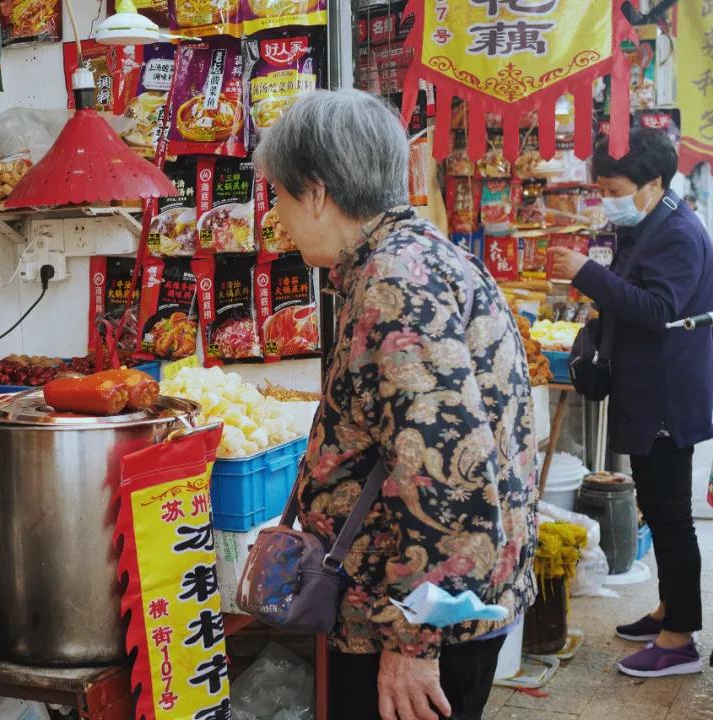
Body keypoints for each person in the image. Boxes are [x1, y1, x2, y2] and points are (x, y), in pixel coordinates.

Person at [254, 89, 538, 720]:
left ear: (318, 192)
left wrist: (415, 643)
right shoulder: (416, 257)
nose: (277, 217)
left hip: (417, 620)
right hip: (425, 605)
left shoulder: (395, 287)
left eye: (279, 196)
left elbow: (445, 474)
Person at [549, 127, 713, 678]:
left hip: (667, 395)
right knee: (658, 507)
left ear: (653, 182)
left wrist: (586, 274)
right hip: (646, 388)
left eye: (613, 188)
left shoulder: (680, 234)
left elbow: (657, 307)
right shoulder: (649, 222)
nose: (606, 199)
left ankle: (680, 640)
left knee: (670, 517)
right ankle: (669, 608)